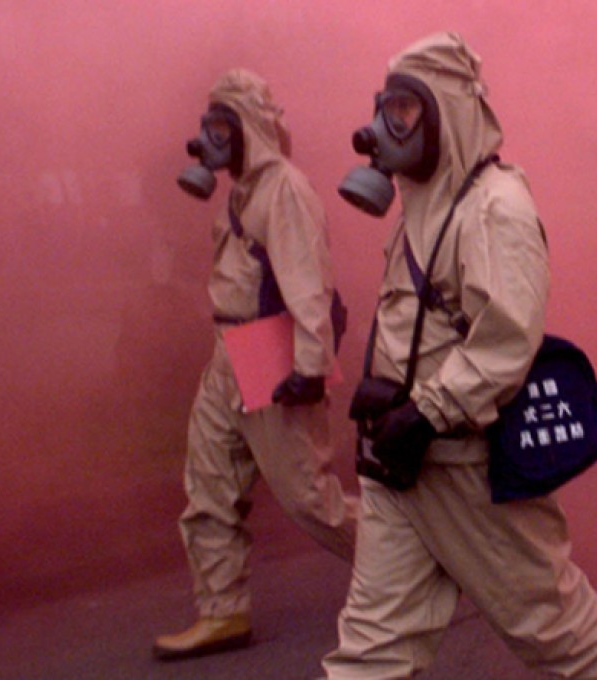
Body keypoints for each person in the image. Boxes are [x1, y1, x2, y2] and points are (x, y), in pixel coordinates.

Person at [323, 32, 597, 679]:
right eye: (384, 107)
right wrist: (388, 398)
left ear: (448, 113)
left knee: (557, 633)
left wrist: (427, 411)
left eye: (403, 111)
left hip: (465, 463)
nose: (383, 127)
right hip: (401, 465)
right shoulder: (422, 205)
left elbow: (506, 339)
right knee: (374, 649)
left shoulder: (496, 207)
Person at [153, 68, 357, 660]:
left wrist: (311, 366)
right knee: (209, 485)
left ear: (248, 128)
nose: (211, 139)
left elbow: (308, 283)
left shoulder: (284, 189)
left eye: (223, 126)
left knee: (309, 501)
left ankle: (420, 563)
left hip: (274, 351)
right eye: (208, 126)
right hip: (231, 350)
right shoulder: (243, 189)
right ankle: (222, 612)